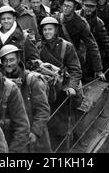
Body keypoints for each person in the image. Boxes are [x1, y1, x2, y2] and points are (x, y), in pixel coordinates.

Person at [39, 17, 82, 151]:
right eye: (45, 29)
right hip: (47, 87)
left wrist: (72, 87)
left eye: (50, 29)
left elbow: (76, 69)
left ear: (56, 30)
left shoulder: (66, 46)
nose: (47, 32)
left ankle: (67, 142)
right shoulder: (39, 47)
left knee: (64, 118)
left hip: (64, 86)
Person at [0, 44, 52, 153]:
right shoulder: (1, 82)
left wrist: (35, 131)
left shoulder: (31, 80)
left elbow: (43, 110)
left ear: (18, 59)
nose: (8, 64)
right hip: (14, 135)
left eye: (12, 60)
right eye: (5, 61)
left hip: (34, 136)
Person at [57, 0, 104, 82]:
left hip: (72, 57)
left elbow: (92, 45)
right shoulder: (56, 19)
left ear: (74, 8)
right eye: (64, 5)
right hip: (57, 55)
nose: (65, 8)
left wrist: (98, 69)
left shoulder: (81, 23)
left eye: (69, 6)